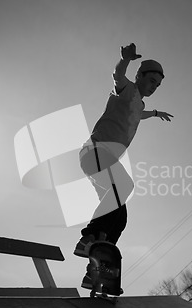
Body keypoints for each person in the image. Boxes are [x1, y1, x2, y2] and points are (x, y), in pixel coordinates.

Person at [74, 43, 173, 289]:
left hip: (103, 161)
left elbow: (139, 113)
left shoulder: (138, 104)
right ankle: (88, 237)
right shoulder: (126, 89)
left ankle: (100, 265)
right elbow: (117, 76)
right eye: (151, 82)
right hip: (94, 152)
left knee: (119, 216)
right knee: (123, 187)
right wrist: (125, 59)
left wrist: (156, 112)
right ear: (139, 76)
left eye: (157, 86)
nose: (153, 88)